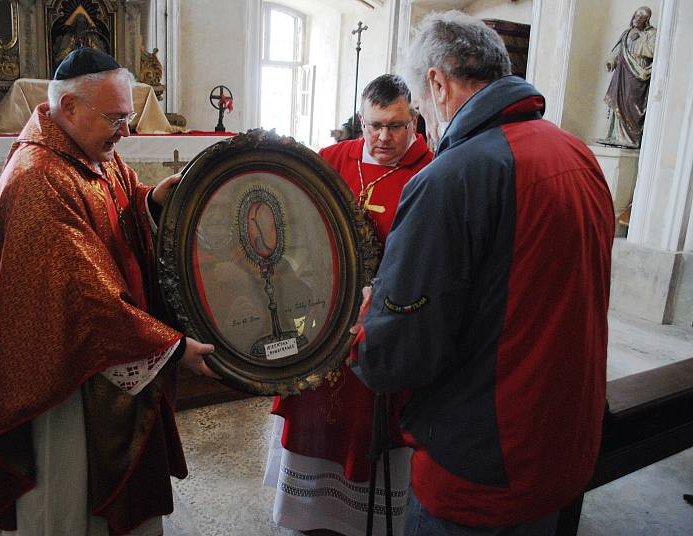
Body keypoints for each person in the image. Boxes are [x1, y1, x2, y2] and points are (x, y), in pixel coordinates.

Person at [352, 11, 615, 536]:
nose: (424, 118)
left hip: (481, 463)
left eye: (420, 109)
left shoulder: (454, 175)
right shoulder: (577, 153)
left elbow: (399, 352)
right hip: (563, 443)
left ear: (437, 83)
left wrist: (368, 327)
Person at [0, 48, 216, 535]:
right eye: (116, 118)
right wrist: (171, 346)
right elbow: (82, 296)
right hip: (62, 374)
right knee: (72, 489)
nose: (126, 132)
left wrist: (152, 202)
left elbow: (118, 204)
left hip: (104, 358)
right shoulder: (38, 177)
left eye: (128, 117)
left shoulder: (91, 150)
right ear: (70, 107)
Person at [264, 74, 433, 535]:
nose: (383, 137)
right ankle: (309, 512)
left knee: (367, 424)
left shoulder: (430, 171)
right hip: (319, 320)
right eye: (375, 125)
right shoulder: (329, 160)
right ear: (362, 119)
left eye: (396, 126)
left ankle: (364, 520)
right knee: (314, 413)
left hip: (381, 326)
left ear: (413, 120)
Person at [602, 6, 656, 148]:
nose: (637, 19)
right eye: (636, 15)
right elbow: (618, 50)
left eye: (641, 17)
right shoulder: (627, 33)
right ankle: (615, 135)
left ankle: (629, 139)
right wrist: (611, 61)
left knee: (630, 101)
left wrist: (640, 39)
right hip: (621, 74)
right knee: (617, 101)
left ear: (646, 20)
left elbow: (652, 51)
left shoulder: (651, 34)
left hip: (637, 75)